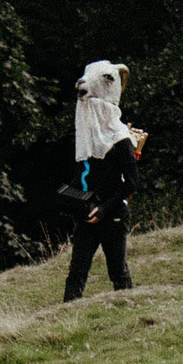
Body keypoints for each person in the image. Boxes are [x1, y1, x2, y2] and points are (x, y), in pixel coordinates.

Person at [60, 57, 146, 299]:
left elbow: (131, 182)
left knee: (117, 270)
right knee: (76, 272)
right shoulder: (86, 140)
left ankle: (128, 310)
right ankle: (65, 318)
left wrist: (104, 209)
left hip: (113, 214)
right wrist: (75, 201)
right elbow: (82, 174)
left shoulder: (120, 140)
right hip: (86, 216)